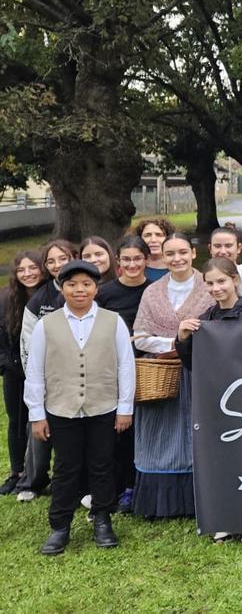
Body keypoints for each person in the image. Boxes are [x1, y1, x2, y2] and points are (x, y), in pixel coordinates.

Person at [24, 260, 134, 555]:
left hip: (103, 406)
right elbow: (35, 371)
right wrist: (37, 414)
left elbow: (126, 366)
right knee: (65, 468)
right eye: (72, 285)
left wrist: (124, 408)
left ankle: (102, 519)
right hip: (62, 408)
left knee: (102, 465)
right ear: (62, 288)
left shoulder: (113, 321)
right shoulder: (47, 325)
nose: (79, 290)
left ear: (96, 288)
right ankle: (60, 526)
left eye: (86, 284)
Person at [131, 233, 214, 518]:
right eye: (170, 254)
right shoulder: (153, 291)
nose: (177, 259)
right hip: (162, 373)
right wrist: (172, 344)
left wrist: (187, 346)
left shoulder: (209, 285)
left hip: (198, 369)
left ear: (193, 253)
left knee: (195, 431)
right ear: (162, 258)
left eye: (182, 252)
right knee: (161, 433)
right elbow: (140, 336)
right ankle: (160, 500)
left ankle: (195, 499)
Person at [14, 239, 77, 502]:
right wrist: (35, 378)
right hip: (48, 376)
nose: (57, 265)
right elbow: (27, 341)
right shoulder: (41, 298)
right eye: (51, 261)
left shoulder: (89, 287)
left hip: (82, 375)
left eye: (62, 258)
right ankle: (33, 480)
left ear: (73, 257)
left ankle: (77, 482)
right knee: (39, 429)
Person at [96, 236, 151, 512]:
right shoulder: (105, 293)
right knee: (116, 429)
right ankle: (113, 486)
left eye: (137, 258)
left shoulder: (154, 291)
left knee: (140, 429)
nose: (132, 264)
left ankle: (134, 484)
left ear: (147, 260)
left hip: (148, 368)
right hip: (113, 368)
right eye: (126, 259)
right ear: (118, 261)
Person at [0, 252, 42, 495]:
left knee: (37, 423)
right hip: (16, 370)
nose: (28, 274)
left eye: (33, 268)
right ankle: (17, 471)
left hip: (44, 370)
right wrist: (7, 364)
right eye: (22, 269)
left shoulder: (50, 295)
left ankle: (35, 472)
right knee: (17, 421)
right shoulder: (6, 299)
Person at [175, 258, 242, 371]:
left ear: (235, 280)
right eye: (210, 283)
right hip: (212, 385)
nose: (215, 288)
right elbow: (193, 364)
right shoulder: (205, 318)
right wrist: (183, 339)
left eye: (221, 281)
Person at [133, 217, 176, 282]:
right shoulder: (131, 267)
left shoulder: (178, 265)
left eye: (159, 235)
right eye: (148, 235)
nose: (153, 240)